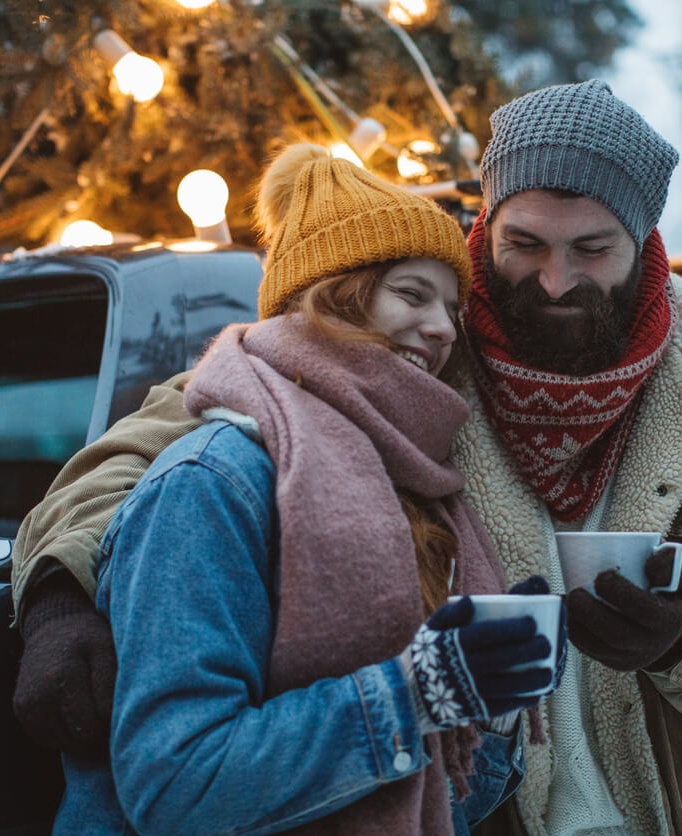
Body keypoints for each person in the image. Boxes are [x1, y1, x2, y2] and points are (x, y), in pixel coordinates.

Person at [13, 80, 682, 835]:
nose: (554, 281)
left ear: (643, 241)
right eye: (525, 243)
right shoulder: (411, 329)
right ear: (488, 220)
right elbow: (171, 443)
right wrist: (60, 596)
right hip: (471, 812)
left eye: (592, 249)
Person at [47, 144, 565, 835]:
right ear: (334, 294)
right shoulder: (213, 480)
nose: (445, 329)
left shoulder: (413, 486)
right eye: (412, 294)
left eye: (451, 307)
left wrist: (490, 707)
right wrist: (417, 694)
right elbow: (177, 786)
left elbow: (426, 796)